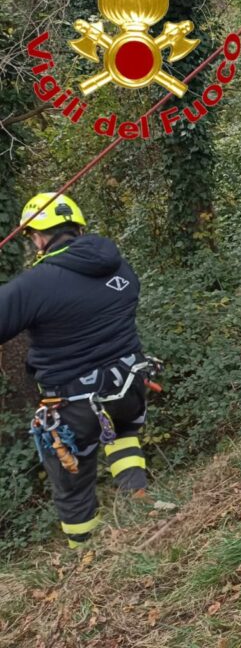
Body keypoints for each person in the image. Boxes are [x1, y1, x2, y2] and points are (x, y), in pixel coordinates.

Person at [0, 193, 150, 548]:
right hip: (128, 388)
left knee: (71, 481)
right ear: (78, 227)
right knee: (124, 434)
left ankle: (83, 554)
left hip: (74, 404)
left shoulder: (37, 284)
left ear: (38, 236)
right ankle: (140, 506)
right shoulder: (118, 265)